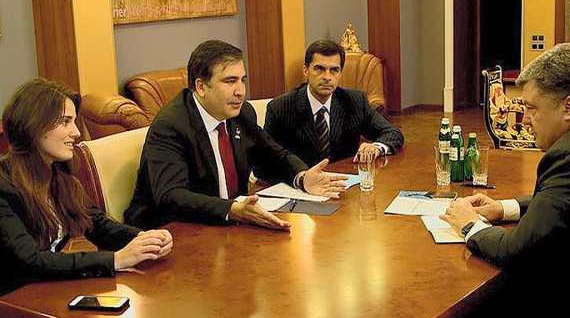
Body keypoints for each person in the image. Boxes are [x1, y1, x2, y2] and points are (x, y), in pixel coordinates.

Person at [440, 43, 570, 318]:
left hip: (568, 303)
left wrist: (469, 224)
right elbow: (564, 202)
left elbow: (516, 252)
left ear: (569, 107)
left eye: (532, 108)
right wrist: (504, 208)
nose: (525, 120)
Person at [124, 40, 346, 231]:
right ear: (201, 86)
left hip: (228, 227)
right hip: (170, 232)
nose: (240, 91)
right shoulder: (171, 126)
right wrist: (231, 209)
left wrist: (302, 177)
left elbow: (273, 154)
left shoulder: (241, 113)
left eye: (242, 80)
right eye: (230, 81)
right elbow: (172, 195)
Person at [0, 79, 173, 295]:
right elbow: (29, 261)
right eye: (65, 122)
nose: (76, 132)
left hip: (43, 289)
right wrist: (116, 259)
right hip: (11, 299)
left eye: (74, 121)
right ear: (32, 126)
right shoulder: (4, 185)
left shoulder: (57, 173)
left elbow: (97, 225)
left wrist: (145, 239)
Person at [262, 39, 404, 169]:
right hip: (300, 183)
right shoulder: (280, 107)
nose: (327, 77)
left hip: (346, 181)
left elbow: (393, 133)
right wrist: (300, 177)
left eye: (334, 70)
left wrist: (376, 147)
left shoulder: (354, 101)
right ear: (306, 70)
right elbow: (265, 161)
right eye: (319, 69)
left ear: (340, 73)